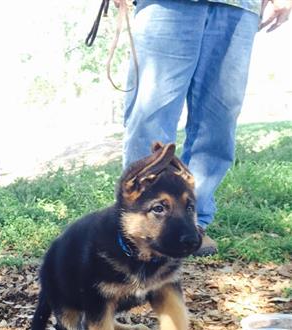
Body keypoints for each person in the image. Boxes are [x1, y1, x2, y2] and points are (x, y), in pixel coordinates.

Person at [117, 0, 291, 256]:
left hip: (238, 5)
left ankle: (192, 223)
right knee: (150, 111)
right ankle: (141, 227)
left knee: (219, 119)